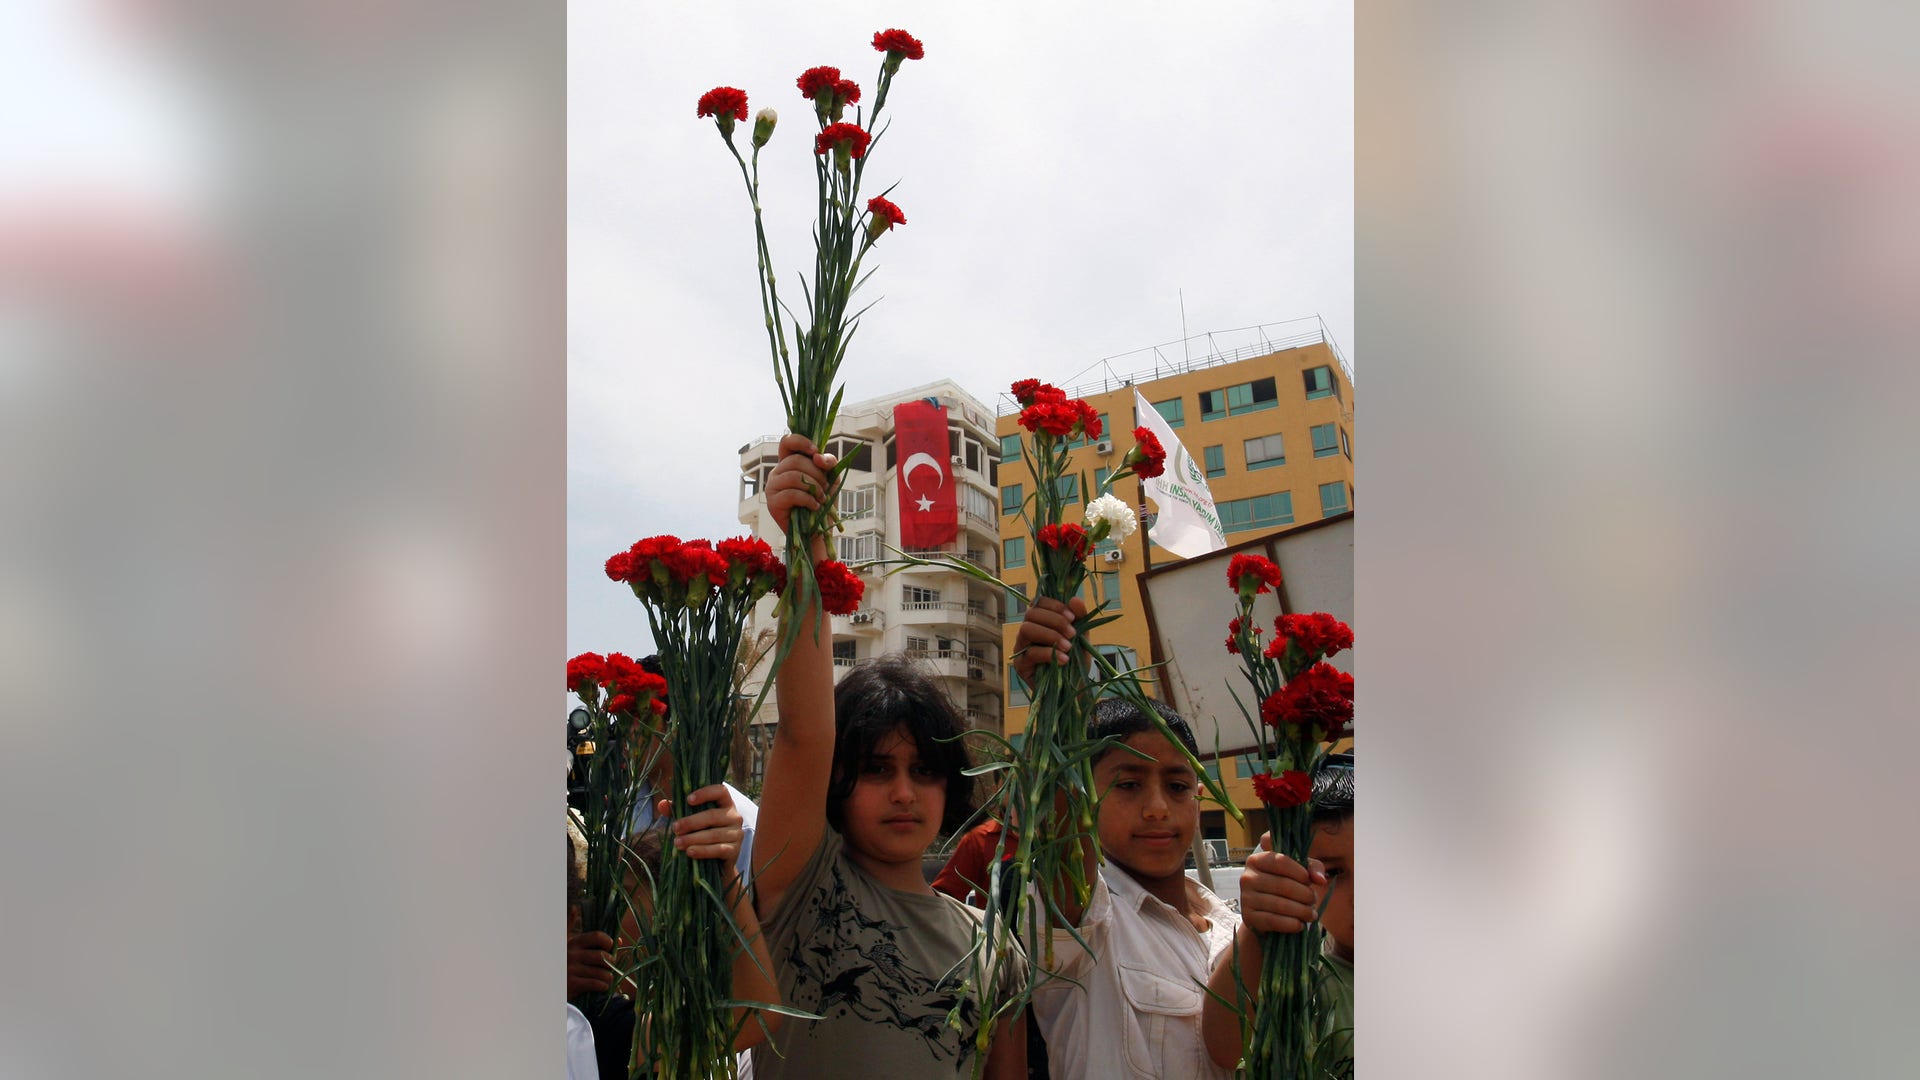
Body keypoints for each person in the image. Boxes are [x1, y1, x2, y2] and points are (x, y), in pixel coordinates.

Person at [749, 435, 1028, 1079]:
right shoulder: (805, 884)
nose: (905, 792)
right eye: (877, 770)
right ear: (837, 781)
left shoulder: (995, 947)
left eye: (924, 772)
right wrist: (806, 541)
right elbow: (804, 735)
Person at [1012, 596, 1324, 1080]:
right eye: (1128, 784)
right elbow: (1060, 836)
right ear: (1085, 794)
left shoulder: (1233, 924)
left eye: (1177, 787)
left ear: (1199, 796)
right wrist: (1059, 708)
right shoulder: (1085, 921)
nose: (1158, 807)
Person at [568, 785, 784, 1075]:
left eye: (622, 898)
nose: (603, 914)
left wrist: (722, 870)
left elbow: (752, 1014)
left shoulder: (598, 1025)